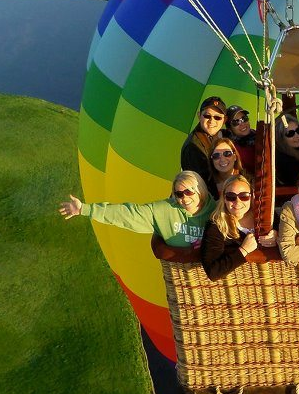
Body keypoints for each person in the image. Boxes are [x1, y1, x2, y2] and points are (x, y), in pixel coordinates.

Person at [58, 171, 215, 248]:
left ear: (199, 189)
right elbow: (127, 214)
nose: (184, 198)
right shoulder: (165, 210)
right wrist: (84, 209)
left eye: (189, 192)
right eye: (179, 193)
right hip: (185, 284)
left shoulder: (215, 211)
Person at [200, 176, 276, 280]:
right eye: (231, 196)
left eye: (244, 196)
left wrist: (277, 234)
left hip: (273, 282)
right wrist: (243, 250)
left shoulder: (267, 217)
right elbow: (213, 272)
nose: (237, 202)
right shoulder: (216, 226)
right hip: (238, 287)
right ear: (224, 199)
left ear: (252, 196)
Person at [180, 96, 227, 180]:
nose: (212, 121)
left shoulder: (221, 136)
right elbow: (205, 183)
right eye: (207, 116)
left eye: (217, 117)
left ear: (224, 120)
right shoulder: (193, 147)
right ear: (199, 115)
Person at [275, 113, 299, 187]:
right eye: (290, 133)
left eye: (298, 130)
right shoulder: (284, 160)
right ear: (280, 138)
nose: (297, 136)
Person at [224, 105, 256, 169]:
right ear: (229, 129)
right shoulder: (232, 149)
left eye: (244, 119)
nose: (242, 124)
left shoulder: (261, 136)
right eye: (235, 122)